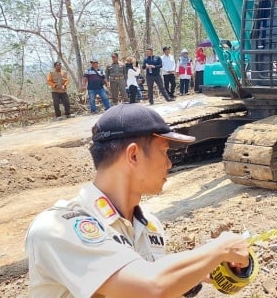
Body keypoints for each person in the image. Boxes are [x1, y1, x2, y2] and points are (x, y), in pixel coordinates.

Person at [24, 104, 251, 297]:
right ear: (133, 155)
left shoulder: (148, 226)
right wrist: (218, 249)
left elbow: (143, 280)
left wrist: (201, 269)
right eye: (164, 152)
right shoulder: (58, 228)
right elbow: (151, 285)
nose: (169, 164)